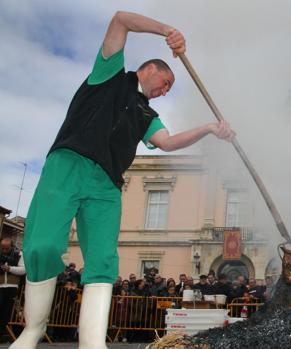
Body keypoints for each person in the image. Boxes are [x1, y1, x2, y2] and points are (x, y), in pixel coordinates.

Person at [11, 11, 235, 349]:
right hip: (68, 164)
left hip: (107, 184)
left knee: (102, 261)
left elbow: (169, 142)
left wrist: (209, 129)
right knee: (43, 246)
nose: (164, 91)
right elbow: (120, 20)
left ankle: (93, 343)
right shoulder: (110, 73)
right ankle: (32, 330)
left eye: (168, 89)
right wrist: (166, 30)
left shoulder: (148, 115)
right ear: (149, 70)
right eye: (166, 83)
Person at [0, 238, 25, 342]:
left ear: (11, 246)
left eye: (6, 248)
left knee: (6, 313)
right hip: (0, 286)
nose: (4, 250)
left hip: (12, 287)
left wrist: (10, 268)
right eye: (2, 248)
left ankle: (1, 334)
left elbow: (23, 269)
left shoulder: (19, 254)